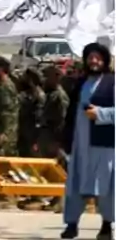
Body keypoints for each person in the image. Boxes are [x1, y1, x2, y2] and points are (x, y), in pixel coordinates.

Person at [60, 43, 114, 240]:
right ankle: (72, 224)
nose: (94, 61)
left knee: (105, 188)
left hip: (103, 146)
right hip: (80, 145)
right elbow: (70, 113)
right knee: (75, 186)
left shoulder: (112, 82)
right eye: (90, 57)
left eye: (97, 57)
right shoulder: (80, 83)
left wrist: (100, 114)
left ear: (104, 60)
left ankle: (107, 225)